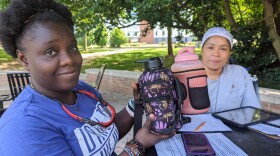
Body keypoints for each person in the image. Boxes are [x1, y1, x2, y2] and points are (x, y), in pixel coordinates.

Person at [0, 0, 173, 155]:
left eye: (72, 48)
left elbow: (105, 133)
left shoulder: (82, 90)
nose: (69, 59)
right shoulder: (23, 128)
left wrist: (135, 104)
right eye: (50, 51)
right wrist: (137, 146)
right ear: (24, 58)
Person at [201, 27, 261, 113]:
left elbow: (252, 110)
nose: (216, 54)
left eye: (223, 49)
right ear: (202, 50)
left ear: (229, 53)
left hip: (233, 126)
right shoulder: (186, 75)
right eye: (210, 47)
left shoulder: (239, 73)